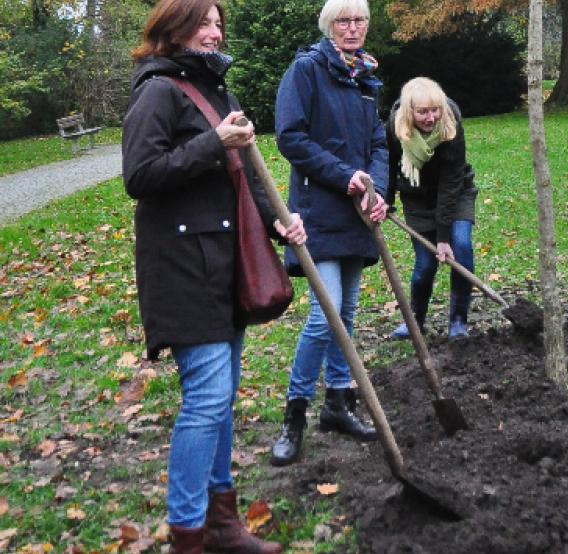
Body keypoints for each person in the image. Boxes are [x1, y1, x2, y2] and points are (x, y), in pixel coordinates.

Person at [122, 0, 306, 551]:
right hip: (182, 269)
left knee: (221, 396)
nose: (214, 31)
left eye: (219, 23)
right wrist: (212, 142)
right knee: (206, 398)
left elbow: (244, 174)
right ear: (173, 31)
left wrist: (279, 222)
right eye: (203, 22)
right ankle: (189, 534)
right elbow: (140, 174)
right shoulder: (157, 91)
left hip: (226, 265)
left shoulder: (216, 90)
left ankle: (222, 523)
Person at [270, 0, 388, 467]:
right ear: (328, 26)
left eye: (359, 20)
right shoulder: (306, 71)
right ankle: (294, 415)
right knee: (327, 317)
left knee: (349, 313)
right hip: (317, 212)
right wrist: (346, 177)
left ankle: (338, 404)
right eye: (344, 20)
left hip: (357, 213)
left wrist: (375, 188)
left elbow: (378, 142)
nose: (353, 27)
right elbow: (291, 137)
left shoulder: (365, 78)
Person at [385, 77, 478, 340]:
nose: (430, 117)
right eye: (423, 112)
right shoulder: (395, 127)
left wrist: (444, 237)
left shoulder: (450, 125)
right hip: (417, 199)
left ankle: (459, 320)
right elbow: (390, 165)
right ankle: (415, 320)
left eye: (434, 110)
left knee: (461, 247)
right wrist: (386, 199)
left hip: (456, 193)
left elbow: (450, 183)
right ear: (409, 112)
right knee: (425, 264)